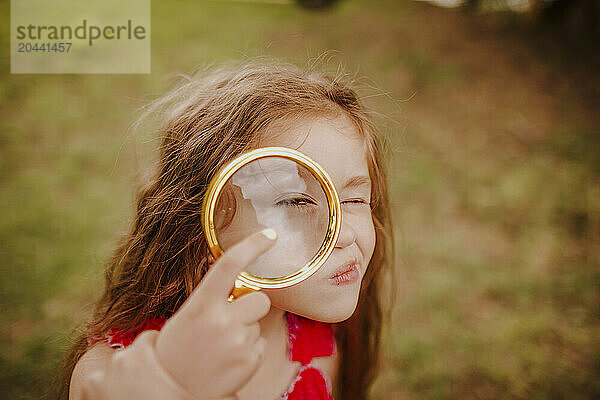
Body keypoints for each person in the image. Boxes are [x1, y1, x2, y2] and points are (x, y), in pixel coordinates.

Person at [57, 60, 393, 400]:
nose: (345, 234)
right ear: (203, 229)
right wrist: (171, 382)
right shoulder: (108, 372)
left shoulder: (322, 342)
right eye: (296, 203)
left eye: (354, 200)